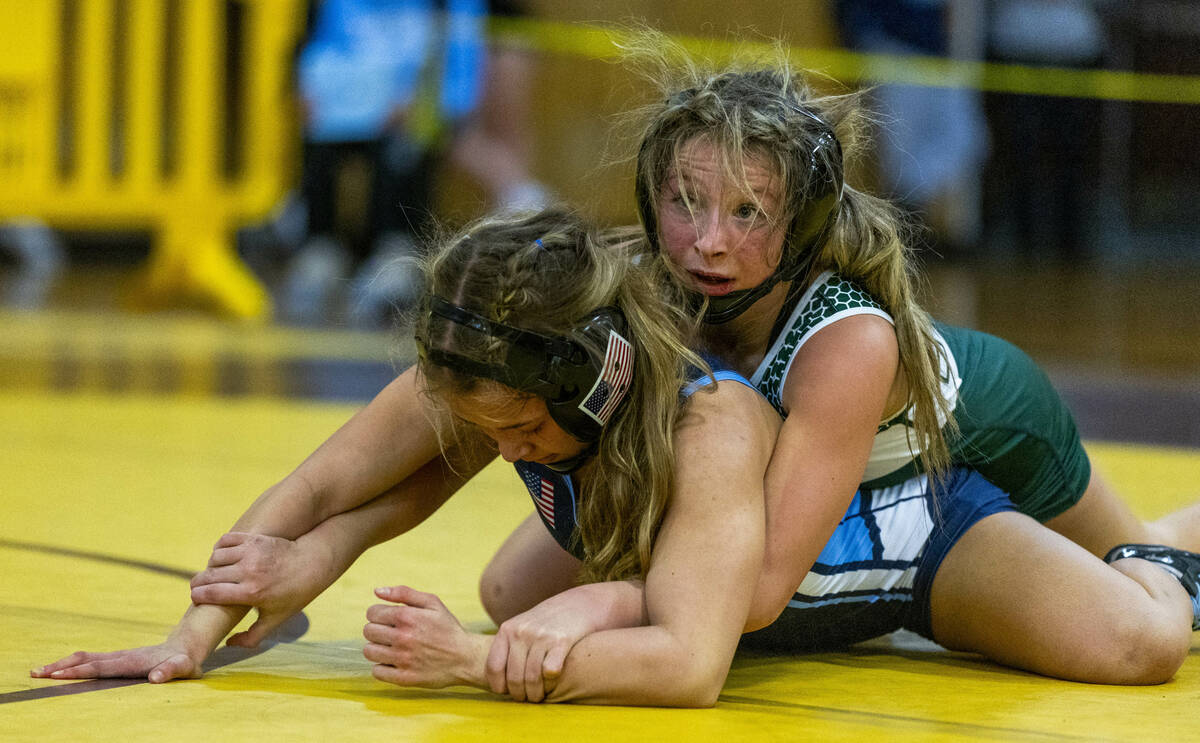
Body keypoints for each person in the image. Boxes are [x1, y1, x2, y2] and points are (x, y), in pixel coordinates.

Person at [30, 210, 1200, 706]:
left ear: (598, 377)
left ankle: (1183, 536)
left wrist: (470, 662)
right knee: (514, 585)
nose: (501, 452)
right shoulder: (502, 361)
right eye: (485, 432)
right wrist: (196, 631)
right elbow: (329, 488)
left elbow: (691, 661)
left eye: (523, 431)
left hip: (900, 526)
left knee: (1138, 636)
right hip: (748, 552)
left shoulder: (711, 423)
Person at [474, 41, 1200, 636]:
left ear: (801, 223)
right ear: (650, 196)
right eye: (685, 203)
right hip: (846, 446)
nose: (709, 243)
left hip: (992, 419)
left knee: (1143, 551)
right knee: (510, 588)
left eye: (749, 212)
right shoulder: (643, 275)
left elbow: (755, 588)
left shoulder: (844, 339)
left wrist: (606, 600)